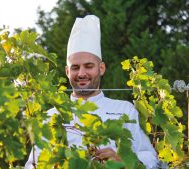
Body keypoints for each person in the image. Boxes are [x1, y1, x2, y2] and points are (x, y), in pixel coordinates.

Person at [25, 15, 158, 169]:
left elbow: (148, 157)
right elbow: (32, 165)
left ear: (101, 68)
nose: (81, 73)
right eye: (75, 67)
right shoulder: (50, 117)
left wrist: (122, 161)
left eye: (88, 66)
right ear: (67, 71)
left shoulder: (124, 110)